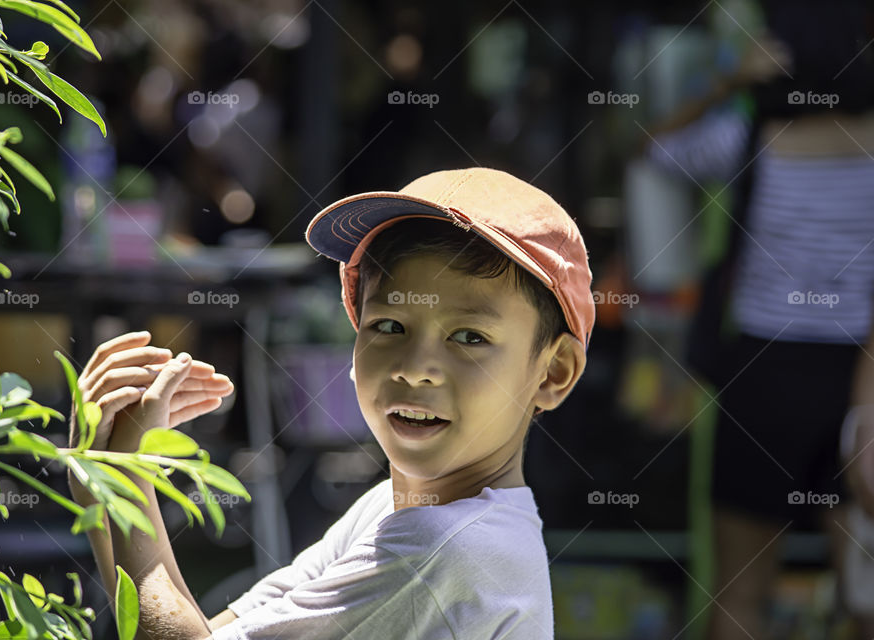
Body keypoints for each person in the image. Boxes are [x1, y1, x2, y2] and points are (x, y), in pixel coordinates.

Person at [67, 166, 596, 639]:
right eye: (389, 325)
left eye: (470, 337)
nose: (414, 366)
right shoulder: (394, 508)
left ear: (554, 371)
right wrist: (102, 492)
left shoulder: (444, 548)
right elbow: (199, 628)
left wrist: (124, 479)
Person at [643, 2, 874, 637]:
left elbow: (654, 150)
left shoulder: (746, 138)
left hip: (762, 376)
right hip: (861, 379)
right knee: (867, 591)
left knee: (742, 595)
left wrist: (728, 81)